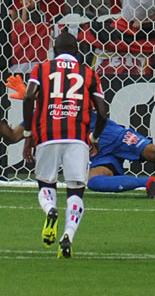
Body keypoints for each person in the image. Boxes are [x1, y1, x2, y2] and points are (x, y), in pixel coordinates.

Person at [0, 74, 155, 196]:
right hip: (95, 152)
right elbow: (13, 136)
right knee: (94, 182)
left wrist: (94, 137)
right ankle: (148, 183)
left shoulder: (70, 95)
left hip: (108, 135)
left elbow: (98, 110)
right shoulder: (39, 110)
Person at [21, 31, 108, 257]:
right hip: (77, 137)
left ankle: (50, 210)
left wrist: (29, 134)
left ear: (54, 51)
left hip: (47, 135)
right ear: (77, 53)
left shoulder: (41, 69)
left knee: (46, 184)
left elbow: (29, 97)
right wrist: (94, 138)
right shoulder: (88, 73)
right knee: (76, 191)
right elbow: (103, 112)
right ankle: (68, 235)